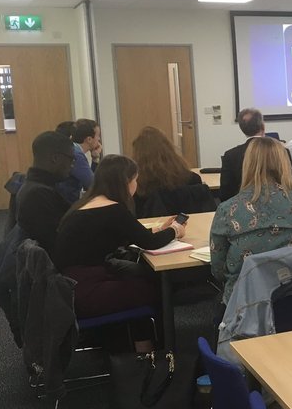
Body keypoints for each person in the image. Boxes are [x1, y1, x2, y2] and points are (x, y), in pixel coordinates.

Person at [55, 155, 185, 323]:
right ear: (125, 182)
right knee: (157, 288)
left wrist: (160, 229)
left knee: (145, 274)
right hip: (86, 289)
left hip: (69, 284)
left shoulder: (87, 203)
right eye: (135, 180)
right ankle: (148, 343)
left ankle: (134, 337)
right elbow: (149, 243)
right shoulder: (113, 209)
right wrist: (176, 230)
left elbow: (124, 234)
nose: (136, 185)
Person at [210, 137, 292, 305]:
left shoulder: (227, 211)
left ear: (247, 165)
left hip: (247, 309)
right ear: (284, 164)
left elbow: (218, 270)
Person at [15, 131, 77, 262]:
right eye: (71, 159)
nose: (72, 165)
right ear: (55, 158)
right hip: (56, 271)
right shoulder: (38, 195)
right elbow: (59, 244)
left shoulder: (34, 186)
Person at [131, 126, 203, 214]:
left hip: (151, 225)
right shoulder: (191, 178)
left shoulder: (136, 184)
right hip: (190, 224)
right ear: (169, 149)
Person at [220, 107, 265, 201]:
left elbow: (225, 194)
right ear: (262, 126)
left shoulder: (230, 156)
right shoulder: (283, 152)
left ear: (241, 128)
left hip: (241, 208)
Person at [57, 118, 101, 203]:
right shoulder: (76, 154)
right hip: (66, 204)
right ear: (89, 139)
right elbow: (93, 185)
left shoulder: (73, 149)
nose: (99, 139)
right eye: (97, 135)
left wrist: (95, 159)